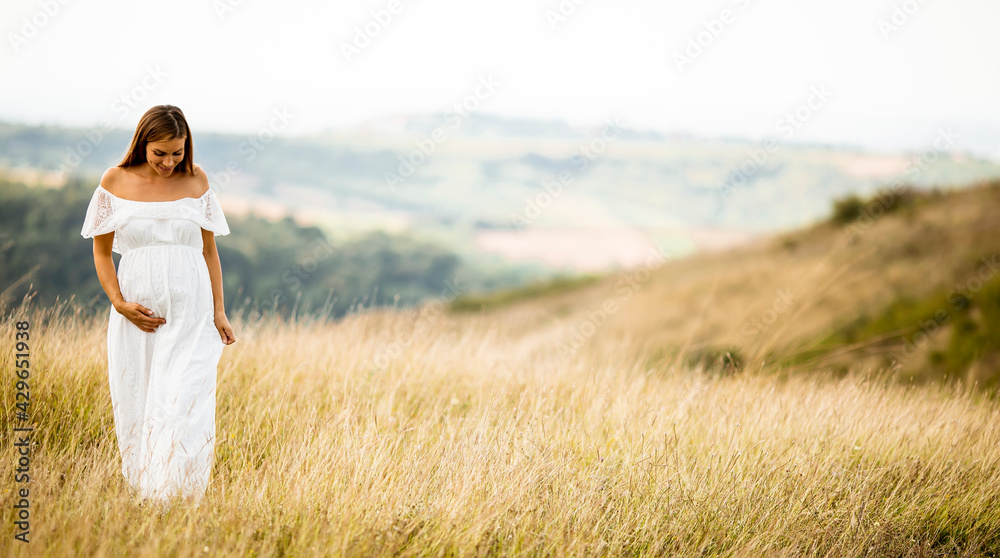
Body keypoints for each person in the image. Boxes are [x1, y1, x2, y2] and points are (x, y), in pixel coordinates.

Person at [80, 104, 235, 506]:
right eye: (160, 153)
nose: (169, 162)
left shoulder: (197, 179)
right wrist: (119, 303)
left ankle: (180, 496)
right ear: (142, 144)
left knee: (185, 398)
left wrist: (218, 310)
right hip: (137, 316)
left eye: (177, 153)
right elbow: (101, 253)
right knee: (140, 397)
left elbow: (209, 249)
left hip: (193, 312)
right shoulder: (114, 180)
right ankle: (150, 497)